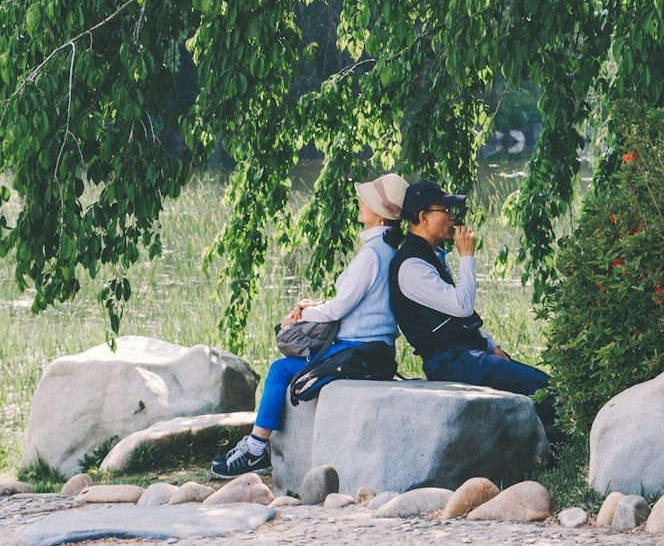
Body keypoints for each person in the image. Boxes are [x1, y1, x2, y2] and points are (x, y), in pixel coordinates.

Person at [212, 173, 409, 478]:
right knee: (289, 363)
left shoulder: (371, 255)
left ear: (381, 215)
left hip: (357, 349)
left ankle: (255, 451)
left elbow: (341, 307)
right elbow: (356, 303)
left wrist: (305, 315)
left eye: (367, 200)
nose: (360, 202)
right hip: (375, 348)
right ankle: (255, 447)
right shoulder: (388, 252)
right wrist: (315, 307)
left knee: (279, 369)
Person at [388, 179, 557, 427]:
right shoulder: (411, 266)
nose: (452, 217)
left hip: (465, 354)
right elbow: (461, 306)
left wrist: (489, 343)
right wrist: (467, 256)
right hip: (449, 362)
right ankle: (553, 450)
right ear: (423, 217)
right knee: (539, 385)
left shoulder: (430, 255)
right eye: (445, 211)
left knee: (540, 382)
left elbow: (455, 315)